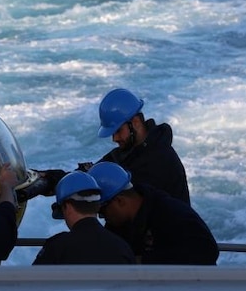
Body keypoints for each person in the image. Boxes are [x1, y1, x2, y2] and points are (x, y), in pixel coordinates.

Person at [89, 162, 219, 265]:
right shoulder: (118, 225)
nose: (102, 217)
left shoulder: (174, 215)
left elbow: (207, 252)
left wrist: (143, 261)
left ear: (120, 201)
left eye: (102, 211)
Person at [84, 88, 190, 204]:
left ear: (135, 122)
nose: (115, 139)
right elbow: (96, 171)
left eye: (118, 131)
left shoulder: (160, 160)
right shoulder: (131, 151)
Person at [33, 171, 135, 265]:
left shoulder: (57, 247)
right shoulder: (122, 247)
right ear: (98, 205)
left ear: (67, 207)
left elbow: (32, 281)